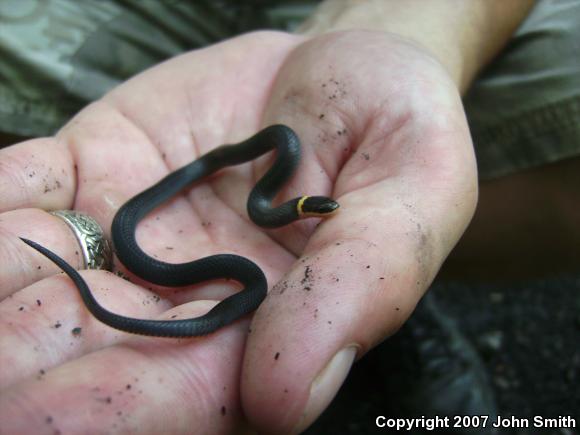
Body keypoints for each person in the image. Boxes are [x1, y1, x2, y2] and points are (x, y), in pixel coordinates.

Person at [0, 1, 578, 433]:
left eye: (317, 209)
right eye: (317, 208)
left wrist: (388, 29)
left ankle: (391, 309)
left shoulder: (266, 197)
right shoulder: (270, 186)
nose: (322, 208)